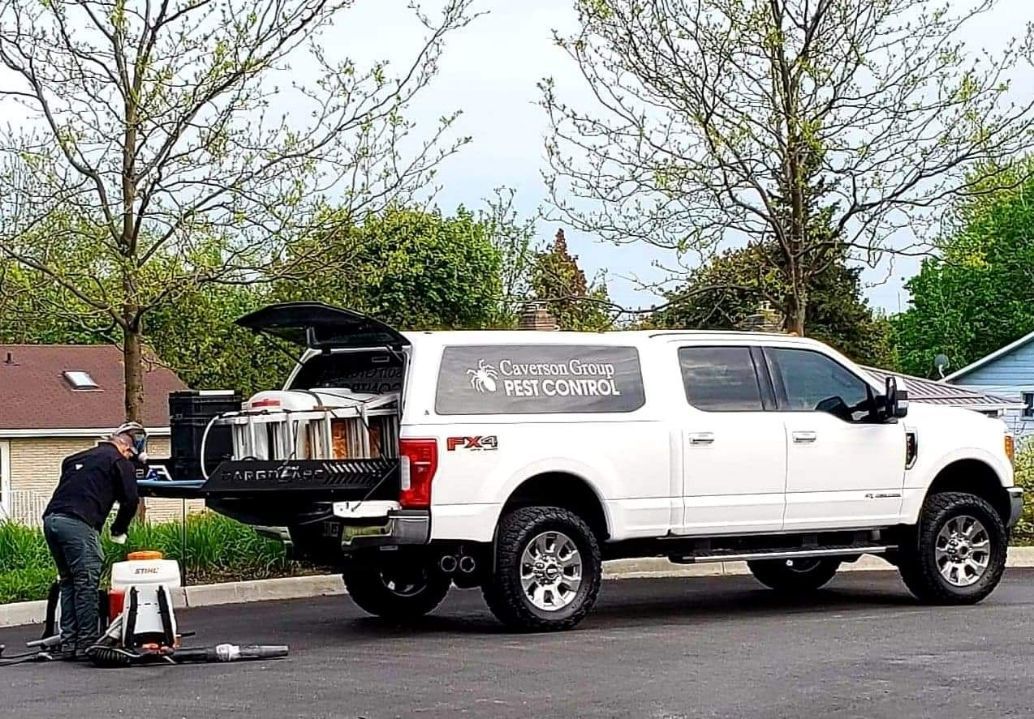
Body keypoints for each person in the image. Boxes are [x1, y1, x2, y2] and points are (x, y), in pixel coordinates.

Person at [42, 422, 147, 660]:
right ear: (126, 446)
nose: (131, 457)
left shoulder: (76, 459)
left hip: (51, 520)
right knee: (87, 581)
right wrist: (118, 530)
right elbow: (131, 501)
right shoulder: (119, 462)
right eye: (131, 453)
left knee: (69, 581)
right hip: (78, 523)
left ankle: (69, 643)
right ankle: (87, 644)